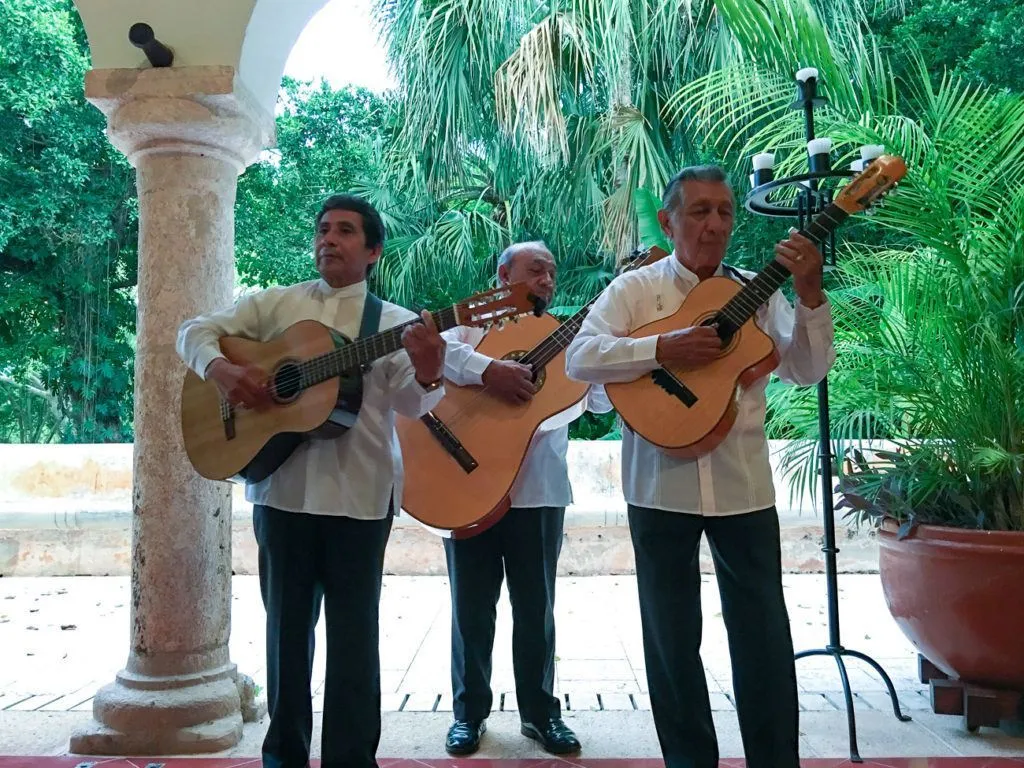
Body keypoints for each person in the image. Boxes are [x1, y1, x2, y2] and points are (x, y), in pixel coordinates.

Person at [564, 166, 836, 768]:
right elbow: (580, 356)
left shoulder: (757, 292)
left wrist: (811, 295)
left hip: (743, 483)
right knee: (670, 640)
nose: (715, 225)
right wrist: (662, 347)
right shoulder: (634, 292)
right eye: (699, 212)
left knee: (763, 634)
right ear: (668, 221)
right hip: (658, 483)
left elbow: (805, 369)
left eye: (725, 212)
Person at [176, 194, 447, 768]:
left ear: (372, 251)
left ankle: (351, 760)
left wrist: (428, 369)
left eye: (346, 231)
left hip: (359, 498)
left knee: (354, 645)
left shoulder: (393, 324)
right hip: (282, 495)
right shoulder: (278, 306)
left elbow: (413, 401)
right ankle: (285, 758)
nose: (330, 239)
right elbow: (194, 330)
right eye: (323, 229)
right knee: (285, 640)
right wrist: (220, 369)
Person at [438, 241, 611, 756]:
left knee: (536, 608)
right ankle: (468, 714)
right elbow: (430, 350)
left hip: (538, 488)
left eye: (552, 272)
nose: (546, 279)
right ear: (502, 275)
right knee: (471, 606)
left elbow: (597, 400)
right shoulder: (470, 325)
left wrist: (604, 356)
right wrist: (488, 371)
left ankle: (540, 714)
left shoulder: (565, 336)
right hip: (465, 479)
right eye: (536, 270)